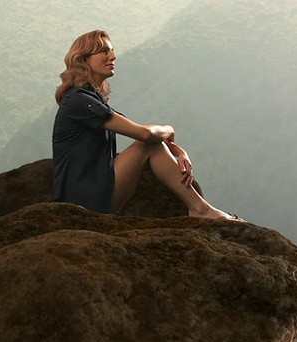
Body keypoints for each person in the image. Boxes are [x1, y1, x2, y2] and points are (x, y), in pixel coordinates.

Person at [52, 30, 241, 221]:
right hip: (82, 200)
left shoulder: (89, 99)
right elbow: (145, 134)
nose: (113, 56)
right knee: (148, 145)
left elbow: (144, 133)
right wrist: (170, 129)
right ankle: (200, 210)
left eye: (111, 51)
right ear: (83, 60)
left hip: (93, 191)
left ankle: (201, 210)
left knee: (151, 144)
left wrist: (178, 151)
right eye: (104, 51)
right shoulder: (79, 101)